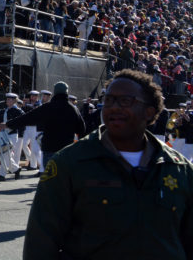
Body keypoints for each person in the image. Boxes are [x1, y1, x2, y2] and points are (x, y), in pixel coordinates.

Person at [23, 69, 193, 259]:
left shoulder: (179, 168)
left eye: (125, 101)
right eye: (109, 100)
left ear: (149, 111)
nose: (114, 107)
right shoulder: (69, 163)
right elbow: (40, 243)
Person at [0, 81, 85, 169]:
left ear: (55, 92)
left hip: (49, 148)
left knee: (50, 178)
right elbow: (81, 129)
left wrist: (7, 124)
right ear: (66, 92)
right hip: (66, 149)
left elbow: (27, 118)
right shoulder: (73, 109)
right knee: (65, 179)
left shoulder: (48, 107)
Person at [0, 93, 23, 181]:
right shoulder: (5, 110)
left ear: (14, 101)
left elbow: (20, 121)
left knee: (5, 154)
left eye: (10, 99)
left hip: (13, 135)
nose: (7, 101)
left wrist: (7, 125)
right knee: (5, 155)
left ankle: (2, 175)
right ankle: (16, 169)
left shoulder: (17, 110)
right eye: (7, 99)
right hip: (4, 135)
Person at [22, 90, 41, 171]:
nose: (33, 97)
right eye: (32, 96)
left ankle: (33, 165)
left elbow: (34, 109)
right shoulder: (27, 104)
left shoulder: (39, 104)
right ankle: (31, 160)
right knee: (23, 144)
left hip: (34, 127)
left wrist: (27, 105)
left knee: (33, 146)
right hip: (27, 126)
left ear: (37, 97)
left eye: (35, 96)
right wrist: (23, 105)